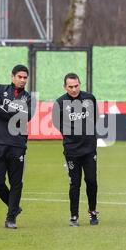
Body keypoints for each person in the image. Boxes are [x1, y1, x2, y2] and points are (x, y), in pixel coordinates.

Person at [0, 64, 34, 229]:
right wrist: (14, 113)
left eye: (25, 78)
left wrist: (5, 109)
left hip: (17, 144)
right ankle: (14, 207)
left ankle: (11, 218)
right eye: (19, 77)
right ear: (12, 76)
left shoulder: (29, 98)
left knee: (16, 183)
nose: (22, 80)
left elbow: (25, 117)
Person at [52, 73, 99, 227]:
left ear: (80, 84)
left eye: (76, 86)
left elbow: (95, 118)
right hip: (71, 150)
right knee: (75, 183)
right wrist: (71, 135)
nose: (74, 89)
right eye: (70, 87)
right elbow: (57, 124)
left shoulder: (89, 98)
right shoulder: (60, 103)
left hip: (89, 148)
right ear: (65, 87)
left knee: (91, 181)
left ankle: (92, 212)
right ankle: (74, 216)